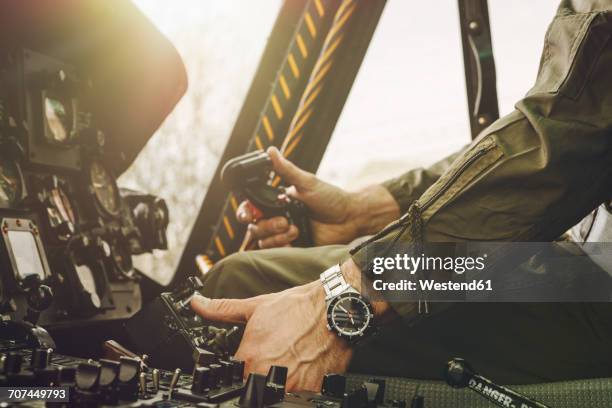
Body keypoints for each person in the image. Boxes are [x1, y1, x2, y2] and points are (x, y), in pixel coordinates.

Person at [192, 0, 612, 391]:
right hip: (577, 264)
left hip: (595, 292)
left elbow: (564, 144)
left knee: (243, 283)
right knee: (249, 280)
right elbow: (540, 139)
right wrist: (364, 212)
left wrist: (346, 301)